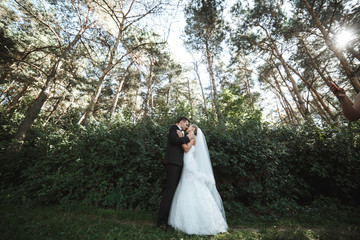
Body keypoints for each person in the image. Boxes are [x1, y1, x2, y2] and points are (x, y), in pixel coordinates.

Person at [168, 124, 228, 235]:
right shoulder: (189, 136)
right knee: (186, 187)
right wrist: (181, 137)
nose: (188, 127)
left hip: (190, 166)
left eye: (190, 126)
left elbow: (186, 149)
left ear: (194, 129)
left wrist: (181, 137)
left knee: (193, 187)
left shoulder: (193, 137)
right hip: (187, 165)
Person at [157, 117, 195, 230]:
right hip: (172, 163)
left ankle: (165, 220)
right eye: (186, 124)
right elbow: (173, 140)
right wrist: (187, 138)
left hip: (176, 164)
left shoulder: (181, 133)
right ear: (181, 123)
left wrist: (184, 137)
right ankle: (161, 223)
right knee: (169, 192)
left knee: (171, 191)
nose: (187, 126)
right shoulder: (174, 128)